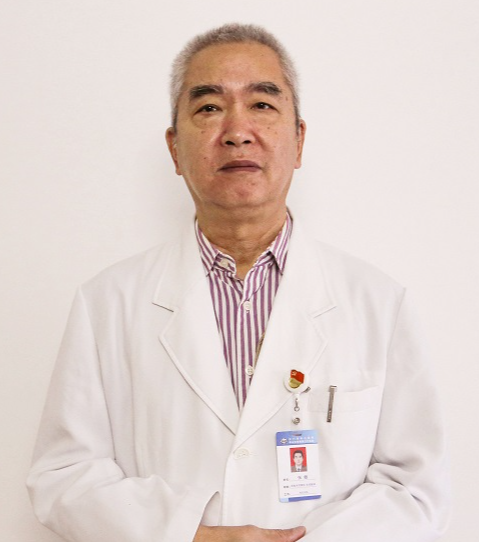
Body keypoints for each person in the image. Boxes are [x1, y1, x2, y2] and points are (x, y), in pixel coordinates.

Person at [27, 23, 450, 542]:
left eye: (262, 104)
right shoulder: (107, 303)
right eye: (208, 107)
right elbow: (65, 476)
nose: (237, 131)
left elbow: (415, 490)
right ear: (174, 148)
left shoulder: (378, 302)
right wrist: (192, 536)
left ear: (299, 140)